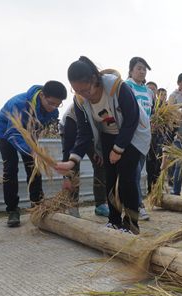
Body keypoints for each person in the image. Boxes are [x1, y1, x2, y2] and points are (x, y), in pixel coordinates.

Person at [55, 57, 150, 235]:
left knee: (127, 177)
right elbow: (84, 134)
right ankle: (114, 221)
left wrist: (118, 149)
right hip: (108, 134)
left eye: (84, 89)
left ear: (94, 78)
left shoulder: (117, 87)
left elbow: (132, 118)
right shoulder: (80, 100)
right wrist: (71, 163)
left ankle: (131, 224)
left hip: (133, 133)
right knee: (110, 177)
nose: (82, 94)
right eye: (76, 90)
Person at [0, 81, 67, 227]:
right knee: (10, 168)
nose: (54, 108)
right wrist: (31, 151)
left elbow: (45, 127)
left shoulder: (53, 110)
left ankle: (38, 206)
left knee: (34, 167)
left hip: (30, 134)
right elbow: (14, 132)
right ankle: (12, 210)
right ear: (42, 96)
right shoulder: (20, 104)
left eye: (57, 105)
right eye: (52, 103)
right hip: (7, 131)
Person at [59, 103, 110, 218]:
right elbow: (68, 149)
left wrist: (99, 150)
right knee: (74, 168)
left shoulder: (103, 108)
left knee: (100, 165)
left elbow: (104, 132)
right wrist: (67, 176)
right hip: (73, 134)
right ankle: (73, 205)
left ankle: (100, 204)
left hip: (93, 135)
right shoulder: (72, 115)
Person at [125, 57, 154, 221]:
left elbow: (150, 114)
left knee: (136, 173)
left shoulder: (149, 91)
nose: (142, 72)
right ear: (130, 70)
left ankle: (131, 204)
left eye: (144, 69)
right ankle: (138, 206)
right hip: (130, 136)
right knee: (134, 173)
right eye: (139, 68)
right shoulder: (126, 86)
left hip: (144, 137)